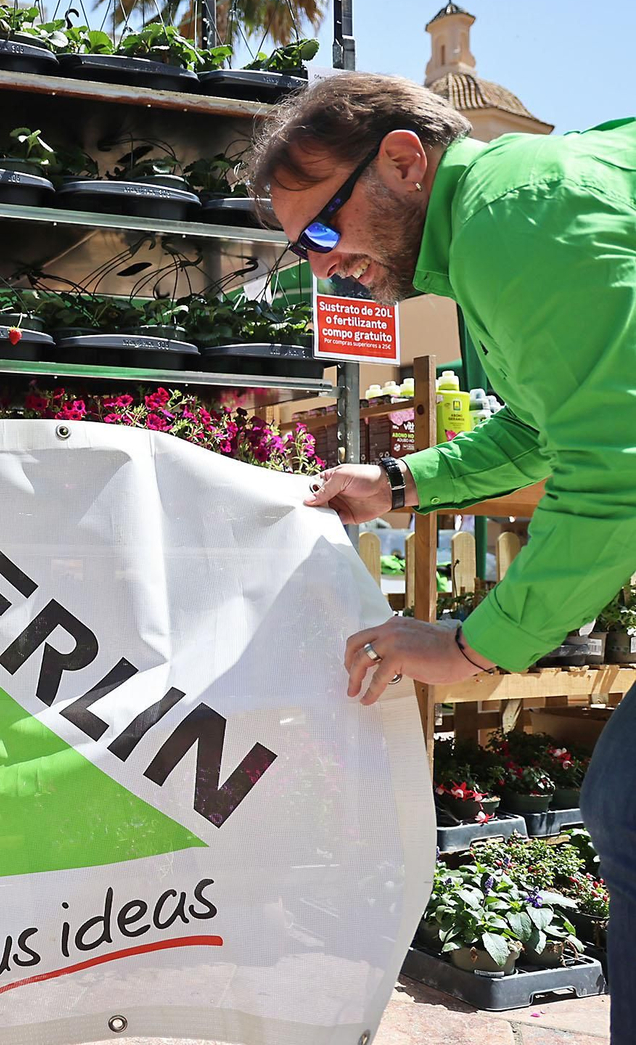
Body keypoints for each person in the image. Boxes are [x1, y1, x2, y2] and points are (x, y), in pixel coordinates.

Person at [245, 72, 636, 1041]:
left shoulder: (513, 218)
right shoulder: (500, 222)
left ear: (402, 159)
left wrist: (468, 646)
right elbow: (539, 431)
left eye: (323, 229)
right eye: (301, 249)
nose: (324, 267)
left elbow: (611, 472)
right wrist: (399, 482)